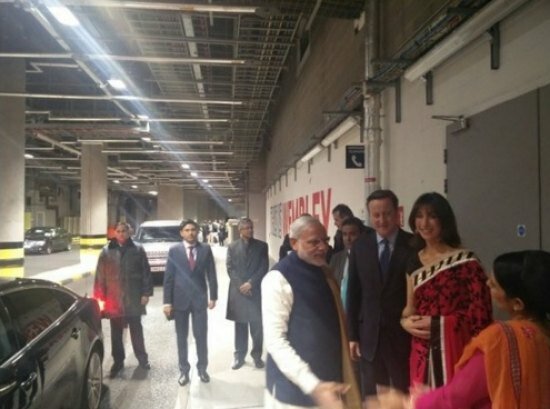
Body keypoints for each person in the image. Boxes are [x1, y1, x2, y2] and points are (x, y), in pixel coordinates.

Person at [368, 250, 550, 409]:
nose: (486, 285)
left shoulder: (501, 339)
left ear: (517, 303)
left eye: (494, 285)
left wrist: (410, 403)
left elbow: (457, 397)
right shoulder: (543, 334)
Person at [262, 215, 360, 409]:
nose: (323, 247)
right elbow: (275, 341)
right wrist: (312, 384)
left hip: (329, 386)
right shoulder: (278, 279)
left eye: (325, 240)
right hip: (294, 393)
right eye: (313, 242)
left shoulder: (325, 272)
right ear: (294, 242)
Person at [400, 192, 492, 388]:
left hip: (457, 352)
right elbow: (410, 309)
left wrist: (439, 324)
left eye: (432, 216)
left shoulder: (466, 262)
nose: (424, 223)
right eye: (419, 215)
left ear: (444, 220)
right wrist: (405, 323)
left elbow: (480, 318)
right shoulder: (413, 261)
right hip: (422, 352)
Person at [347, 190, 414, 398]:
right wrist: (352, 336)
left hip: (403, 336)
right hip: (369, 336)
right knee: (372, 395)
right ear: (370, 215)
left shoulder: (413, 245)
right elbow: (354, 294)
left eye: (387, 213)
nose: (382, 220)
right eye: (376, 215)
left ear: (397, 213)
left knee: (403, 391)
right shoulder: (360, 246)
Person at [93, 221, 153, 378]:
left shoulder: (138, 249)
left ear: (129, 232)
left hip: (133, 297)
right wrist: (99, 298)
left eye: (124, 231)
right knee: (116, 332)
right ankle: (118, 361)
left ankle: (142, 359)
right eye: (118, 231)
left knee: (136, 330)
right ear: (114, 233)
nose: (121, 234)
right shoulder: (106, 252)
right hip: (114, 299)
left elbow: (146, 272)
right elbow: (100, 277)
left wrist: (146, 293)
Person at [163, 219, 218, 386]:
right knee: (181, 338)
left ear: (197, 231)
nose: (190, 233)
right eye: (187, 230)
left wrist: (213, 296)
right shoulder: (174, 251)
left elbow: (211, 274)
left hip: (199, 299)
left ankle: (202, 369)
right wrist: (167, 302)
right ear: (181, 233)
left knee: (201, 336)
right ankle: (184, 371)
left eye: (193, 229)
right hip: (179, 301)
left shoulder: (206, 249)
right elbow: (169, 278)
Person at [226, 217, 269, 370]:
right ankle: (239, 356)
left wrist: (251, 283)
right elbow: (230, 268)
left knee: (257, 326)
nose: (250, 230)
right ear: (240, 230)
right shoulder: (232, 247)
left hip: (254, 290)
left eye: (251, 227)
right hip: (238, 293)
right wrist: (241, 286)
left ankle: (257, 356)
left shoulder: (262, 246)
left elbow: (264, 267)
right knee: (240, 325)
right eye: (247, 228)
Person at [329, 216, 369, 308]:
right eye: (344, 234)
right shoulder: (336, 259)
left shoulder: (369, 259)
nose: (348, 238)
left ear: (361, 235)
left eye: (352, 234)